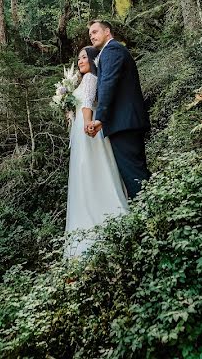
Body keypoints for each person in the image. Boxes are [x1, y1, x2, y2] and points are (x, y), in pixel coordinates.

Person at [64, 46, 129, 259]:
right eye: (79, 57)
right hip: (82, 127)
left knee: (90, 170)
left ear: (92, 60)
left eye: (84, 57)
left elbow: (87, 103)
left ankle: (100, 213)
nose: (81, 60)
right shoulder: (83, 81)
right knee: (85, 172)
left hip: (87, 130)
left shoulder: (91, 77)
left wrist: (85, 123)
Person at [86, 20, 151, 198]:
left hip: (124, 122)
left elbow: (108, 83)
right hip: (128, 121)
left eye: (95, 31)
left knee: (133, 172)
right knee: (136, 168)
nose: (92, 36)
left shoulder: (112, 50)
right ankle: (153, 208)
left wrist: (100, 117)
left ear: (107, 32)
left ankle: (148, 214)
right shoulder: (113, 50)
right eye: (90, 34)